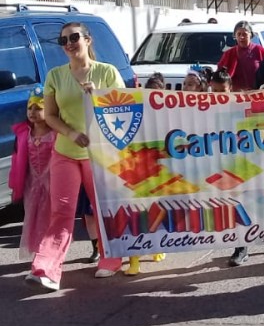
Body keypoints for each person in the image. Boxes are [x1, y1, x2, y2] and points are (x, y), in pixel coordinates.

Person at [28, 22, 125, 291]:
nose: (69, 43)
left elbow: (124, 109)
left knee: (103, 208)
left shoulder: (107, 72)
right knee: (61, 211)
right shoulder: (55, 75)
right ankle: (46, 266)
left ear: (88, 40)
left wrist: (98, 96)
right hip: (65, 153)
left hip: (99, 155)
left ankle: (111, 257)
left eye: (74, 37)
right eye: (63, 41)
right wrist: (71, 134)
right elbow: (49, 116)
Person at [126, 75, 168, 276]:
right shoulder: (135, 112)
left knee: (155, 213)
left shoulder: (167, 115)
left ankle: (156, 248)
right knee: (136, 215)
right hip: (137, 174)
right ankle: (133, 260)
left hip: (157, 176)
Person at [10, 87, 54, 262]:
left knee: (49, 217)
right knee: (32, 217)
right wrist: (16, 186)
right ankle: (37, 251)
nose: (33, 112)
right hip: (31, 183)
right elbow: (17, 161)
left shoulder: (55, 134)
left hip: (51, 182)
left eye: (39, 108)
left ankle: (49, 251)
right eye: (30, 108)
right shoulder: (23, 134)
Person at [217, 20, 264, 92]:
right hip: (235, 96)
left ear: (250, 35)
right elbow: (220, 75)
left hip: (256, 94)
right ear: (235, 36)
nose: (241, 37)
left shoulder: (260, 51)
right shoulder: (229, 53)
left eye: (245, 34)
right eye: (239, 34)